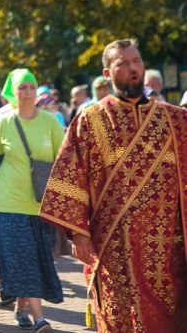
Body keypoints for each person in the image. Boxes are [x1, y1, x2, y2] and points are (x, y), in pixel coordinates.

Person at [40, 39, 187, 332]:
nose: (133, 68)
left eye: (137, 61)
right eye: (123, 63)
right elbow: (71, 176)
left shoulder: (176, 120)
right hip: (115, 249)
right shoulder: (90, 120)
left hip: (168, 251)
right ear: (108, 73)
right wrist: (79, 235)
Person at [0, 68, 64, 333]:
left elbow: (62, 165)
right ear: (13, 92)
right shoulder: (3, 122)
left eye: (31, 86)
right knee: (23, 258)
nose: (28, 92)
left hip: (41, 204)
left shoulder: (51, 122)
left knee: (36, 258)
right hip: (9, 204)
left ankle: (20, 310)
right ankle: (39, 318)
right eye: (22, 88)